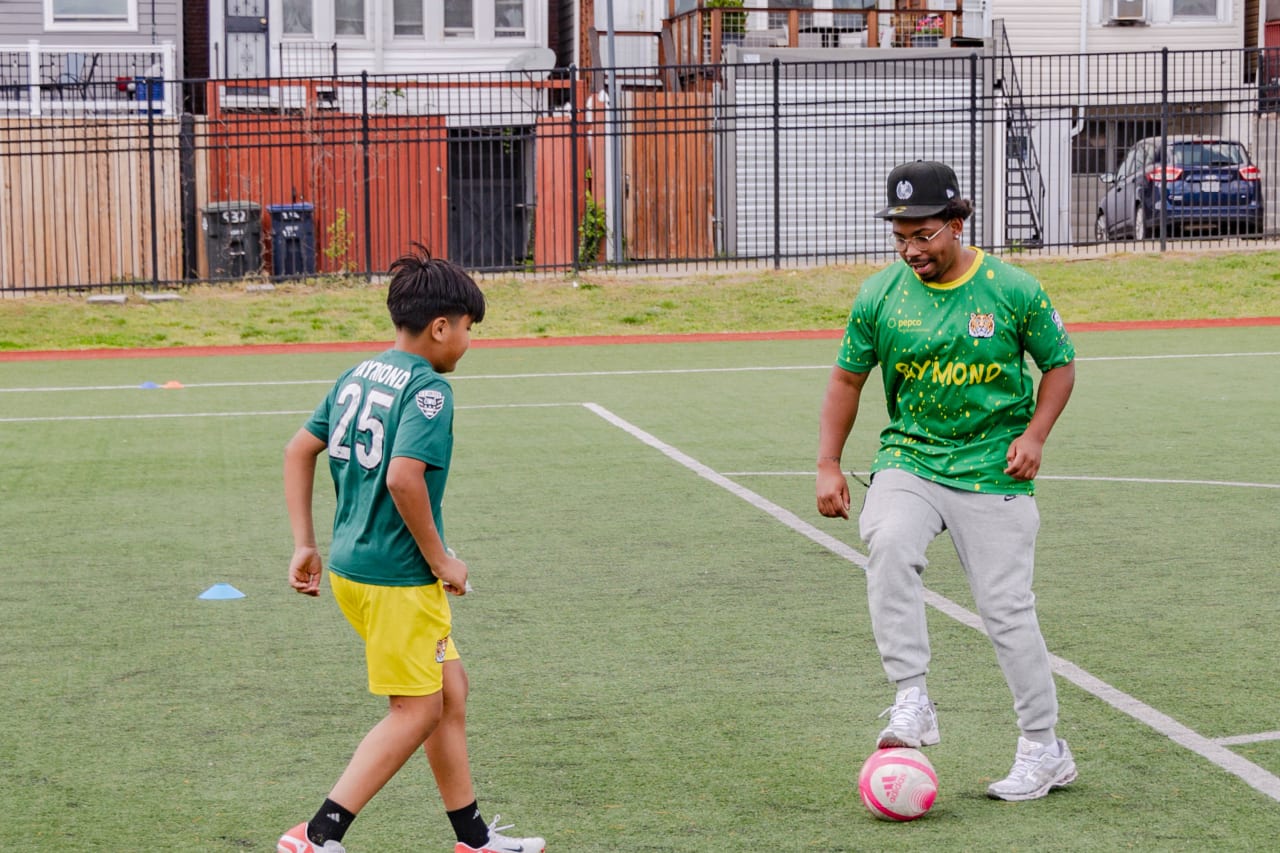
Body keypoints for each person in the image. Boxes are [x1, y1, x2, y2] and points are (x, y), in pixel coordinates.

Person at [815, 161, 1078, 802]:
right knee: (887, 540)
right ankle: (912, 700)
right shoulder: (880, 295)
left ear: (958, 224)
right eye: (900, 236)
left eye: (924, 234)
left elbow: (1061, 366)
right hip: (912, 458)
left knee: (1006, 611)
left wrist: (1035, 435)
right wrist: (828, 461)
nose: (911, 249)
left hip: (994, 468)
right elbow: (848, 379)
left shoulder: (1012, 289)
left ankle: (1044, 749)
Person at [278, 245, 545, 852]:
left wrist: (305, 544)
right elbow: (404, 478)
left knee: (451, 690)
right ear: (441, 326)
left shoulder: (359, 373)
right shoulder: (429, 391)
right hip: (396, 579)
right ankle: (316, 836)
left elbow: (298, 449)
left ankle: (473, 839)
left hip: (353, 565)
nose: (469, 343)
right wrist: (441, 559)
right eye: (470, 330)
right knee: (416, 709)